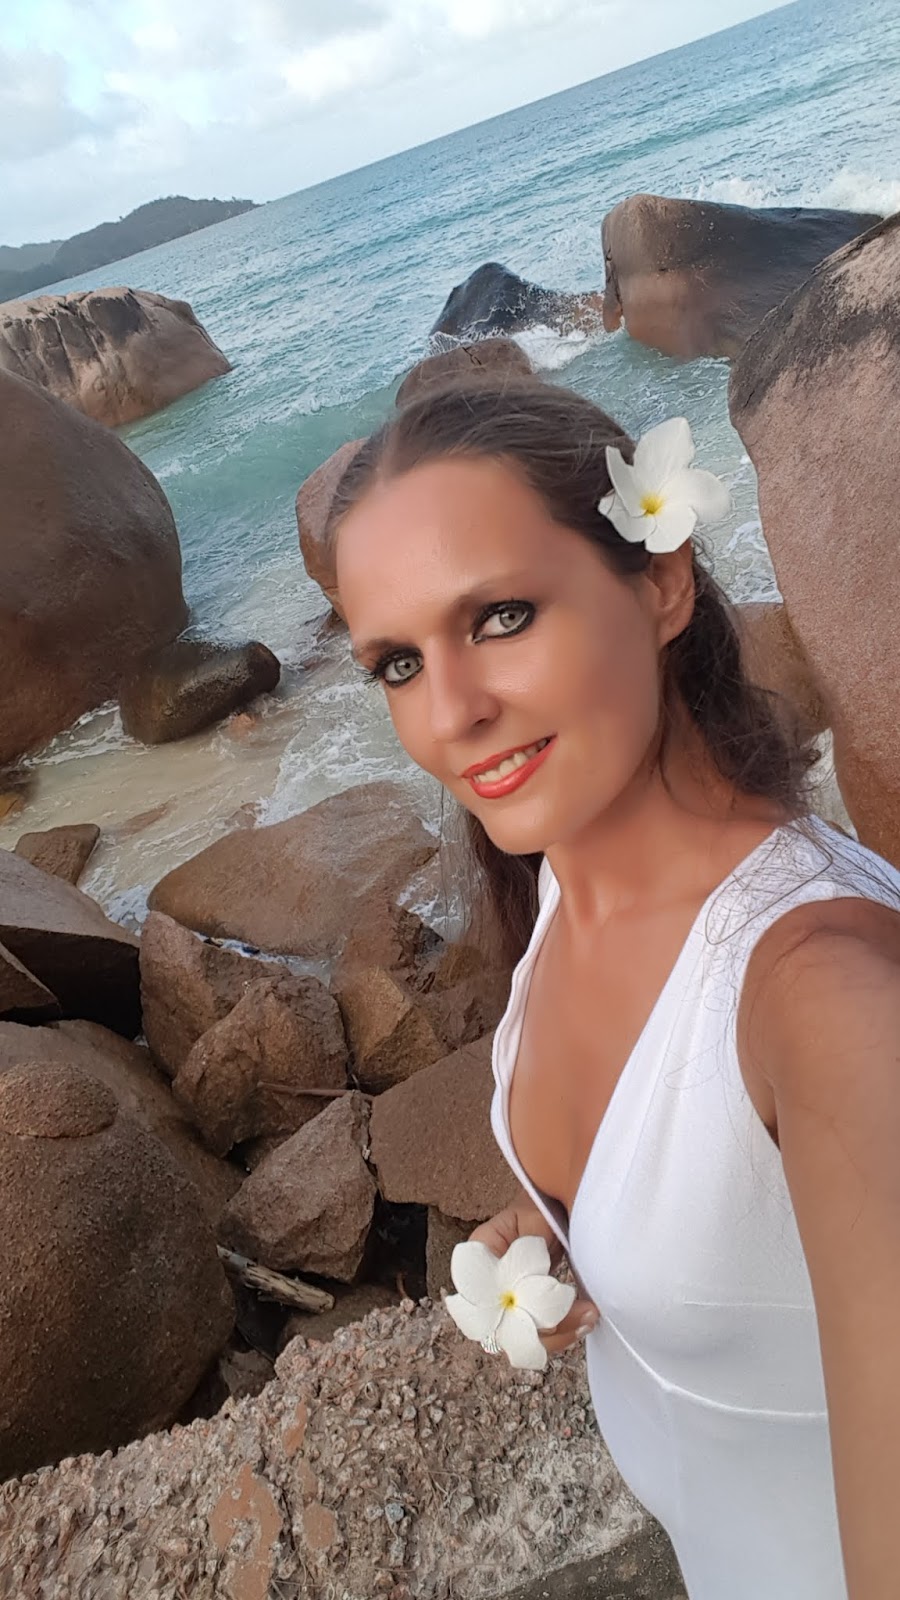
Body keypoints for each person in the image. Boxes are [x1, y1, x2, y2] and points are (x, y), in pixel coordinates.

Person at [327, 378, 900, 1600]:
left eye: (502, 616)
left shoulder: (826, 1000)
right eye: (398, 662)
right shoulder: (562, 886)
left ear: (663, 580)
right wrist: (582, 1236)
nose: (450, 714)